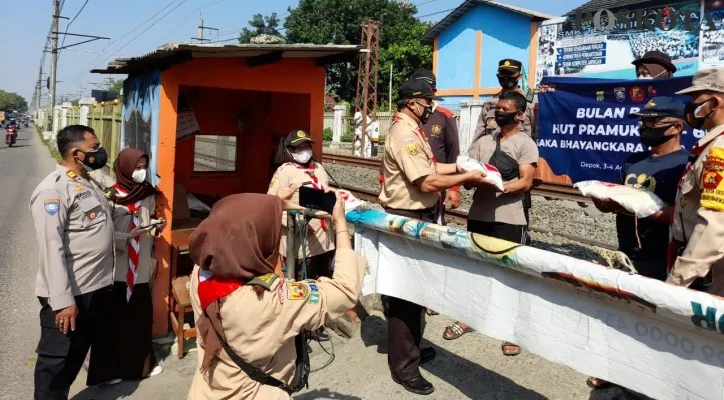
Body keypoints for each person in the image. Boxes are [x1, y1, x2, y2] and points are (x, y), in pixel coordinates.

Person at [187, 191, 366, 400]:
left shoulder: (200, 274)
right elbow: (344, 290)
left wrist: (275, 205)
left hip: (208, 390)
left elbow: (234, 219)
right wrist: (340, 224)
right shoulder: (271, 300)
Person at [379, 77, 487, 396]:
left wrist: (460, 165)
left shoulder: (413, 130)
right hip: (407, 216)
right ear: (413, 102)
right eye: (428, 103)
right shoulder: (404, 132)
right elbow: (425, 182)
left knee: (417, 290)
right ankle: (404, 367)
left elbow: (433, 165)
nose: (431, 108)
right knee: (404, 294)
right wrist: (467, 176)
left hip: (418, 215)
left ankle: (411, 350)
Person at [587, 97, 689, 390]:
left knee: (656, 323)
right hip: (628, 253)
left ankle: (652, 382)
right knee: (623, 314)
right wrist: (609, 204)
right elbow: (622, 202)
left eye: (652, 123)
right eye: (642, 122)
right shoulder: (633, 161)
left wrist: (643, 210)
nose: (644, 128)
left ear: (676, 127)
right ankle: (617, 371)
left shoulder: (684, 165)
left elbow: (685, 217)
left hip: (664, 258)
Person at [443, 91, 538, 358]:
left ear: (519, 115)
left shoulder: (525, 143)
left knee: (509, 272)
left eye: (505, 109)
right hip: (479, 215)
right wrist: (471, 180)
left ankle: (512, 331)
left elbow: (526, 181)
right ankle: (469, 317)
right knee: (475, 268)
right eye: (498, 108)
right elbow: (468, 176)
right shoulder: (483, 142)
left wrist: (498, 184)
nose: (499, 112)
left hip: (509, 218)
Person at [30, 124, 115, 399]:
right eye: (95, 148)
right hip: (69, 295)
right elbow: (51, 249)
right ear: (76, 152)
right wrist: (62, 301)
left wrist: (129, 235)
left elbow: (97, 229)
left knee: (74, 357)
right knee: (55, 363)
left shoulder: (86, 183)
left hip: (92, 287)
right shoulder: (53, 191)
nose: (100, 152)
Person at [267, 129, 360, 338]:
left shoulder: (318, 168)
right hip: (299, 240)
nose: (304, 151)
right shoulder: (284, 172)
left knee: (322, 281)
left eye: (306, 146)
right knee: (302, 284)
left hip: (323, 238)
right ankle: (303, 329)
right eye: (299, 147)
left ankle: (318, 323)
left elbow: (325, 192)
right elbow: (272, 203)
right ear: (290, 151)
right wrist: (293, 221)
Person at [85, 148, 165, 385]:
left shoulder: (147, 192)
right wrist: (127, 236)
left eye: (143, 167)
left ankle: (138, 368)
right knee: (111, 320)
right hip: (115, 268)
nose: (140, 172)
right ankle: (107, 372)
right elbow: (102, 233)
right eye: (136, 167)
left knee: (138, 319)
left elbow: (147, 220)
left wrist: (155, 227)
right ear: (125, 167)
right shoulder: (109, 195)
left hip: (139, 269)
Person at [667, 68, 724, 296]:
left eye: (695, 101)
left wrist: (676, 282)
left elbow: (715, 225)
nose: (690, 108)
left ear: (714, 102)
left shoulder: (719, 150)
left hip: (708, 271)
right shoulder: (713, 144)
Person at [410, 68, 461, 316]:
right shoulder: (408, 119)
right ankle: (414, 293)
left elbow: (453, 154)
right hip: (411, 195)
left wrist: (453, 186)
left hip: (436, 192)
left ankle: (432, 296)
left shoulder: (443, 116)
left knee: (434, 243)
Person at [472, 59, 537, 143]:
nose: (506, 77)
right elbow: (479, 135)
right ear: (498, 75)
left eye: (510, 74)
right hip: (493, 153)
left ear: (519, 76)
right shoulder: (489, 103)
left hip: (519, 153)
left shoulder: (529, 104)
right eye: (503, 74)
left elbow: (536, 134)